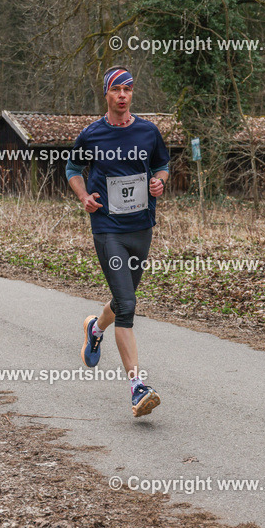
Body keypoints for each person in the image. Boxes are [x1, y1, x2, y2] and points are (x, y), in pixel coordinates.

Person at [66, 66, 170, 417]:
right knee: (127, 304)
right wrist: (84, 197)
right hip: (108, 227)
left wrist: (160, 181)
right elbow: (71, 169)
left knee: (122, 300)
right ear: (106, 95)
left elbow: (162, 164)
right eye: (116, 90)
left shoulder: (148, 131)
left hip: (141, 226)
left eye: (128, 89)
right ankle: (137, 387)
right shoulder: (92, 135)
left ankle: (95, 328)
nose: (122, 95)